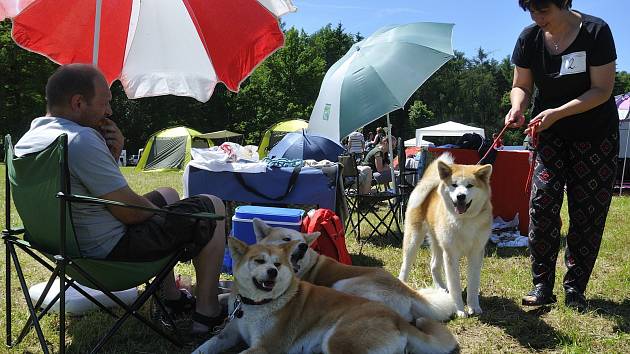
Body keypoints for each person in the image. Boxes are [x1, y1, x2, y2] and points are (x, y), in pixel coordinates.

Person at [14, 64, 227, 332]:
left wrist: (113, 157)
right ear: (78, 103)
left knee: (169, 193)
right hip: (110, 258)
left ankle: (171, 298)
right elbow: (131, 213)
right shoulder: (80, 139)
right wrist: (168, 216)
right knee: (212, 206)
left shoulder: (28, 140)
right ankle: (207, 312)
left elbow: (87, 195)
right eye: (105, 103)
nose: (109, 112)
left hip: (68, 254)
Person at [506, 0, 618, 312]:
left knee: (587, 213)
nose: (537, 18)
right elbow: (521, 85)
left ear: (564, 3)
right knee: (542, 205)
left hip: (595, 136)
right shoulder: (529, 38)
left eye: (544, 10)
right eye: (531, 11)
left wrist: (558, 112)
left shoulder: (596, 32)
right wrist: (518, 105)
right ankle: (542, 284)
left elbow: (602, 89)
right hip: (549, 134)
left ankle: (575, 289)